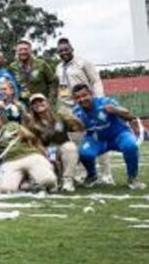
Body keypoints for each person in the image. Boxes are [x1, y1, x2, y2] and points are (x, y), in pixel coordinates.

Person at [56, 38, 112, 184]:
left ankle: (106, 174)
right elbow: (61, 87)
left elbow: (95, 81)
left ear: (72, 49)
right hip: (69, 107)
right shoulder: (58, 67)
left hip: (87, 105)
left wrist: (99, 100)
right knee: (77, 140)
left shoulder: (83, 63)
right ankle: (84, 173)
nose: (63, 52)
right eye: (60, 51)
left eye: (66, 49)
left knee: (98, 136)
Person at [72, 84, 145, 189]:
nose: (82, 99)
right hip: (97, 140)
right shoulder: (76, 111)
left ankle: (132, 178)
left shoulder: (105, 102)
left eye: (84, 95)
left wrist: (115, 110)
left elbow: (129, 116)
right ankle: (92, 175)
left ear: (91, 94)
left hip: (118, 136)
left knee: (130, 145)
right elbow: (76, 128)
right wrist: (69, 121)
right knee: (83, 152)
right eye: (78, 98)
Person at [0, 108, 57, 193]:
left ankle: (30, 182)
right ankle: (25, 184)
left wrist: (46, 155)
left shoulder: (12, 125)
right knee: (6, 190)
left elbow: (33, 139)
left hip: (29, 155)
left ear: (1, 119)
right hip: (10, 162)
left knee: (48, 181)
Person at [25, 94, 84, 192]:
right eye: (34, 103)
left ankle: (67, 179)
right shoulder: (31, 123)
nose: (38, 104)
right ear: (31, 107)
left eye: (41, 101)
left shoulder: (60, 116)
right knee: (48, 183)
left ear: (47, 103)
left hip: (62, 148)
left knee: (70, 147)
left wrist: (73, 117)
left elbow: (78, 129)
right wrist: (45, 153)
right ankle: (52, 177)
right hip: (44, 153)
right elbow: (33, 142)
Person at [7, 40, 57, 105]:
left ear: (31, 50)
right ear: (17, 52)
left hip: (41, 104)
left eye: (25, 49)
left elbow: (53, 82)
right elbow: (9, 85)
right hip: (22, 105)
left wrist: (50, 100)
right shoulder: (12, 67)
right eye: (20, 50)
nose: (23, 52)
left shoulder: (41, 64)